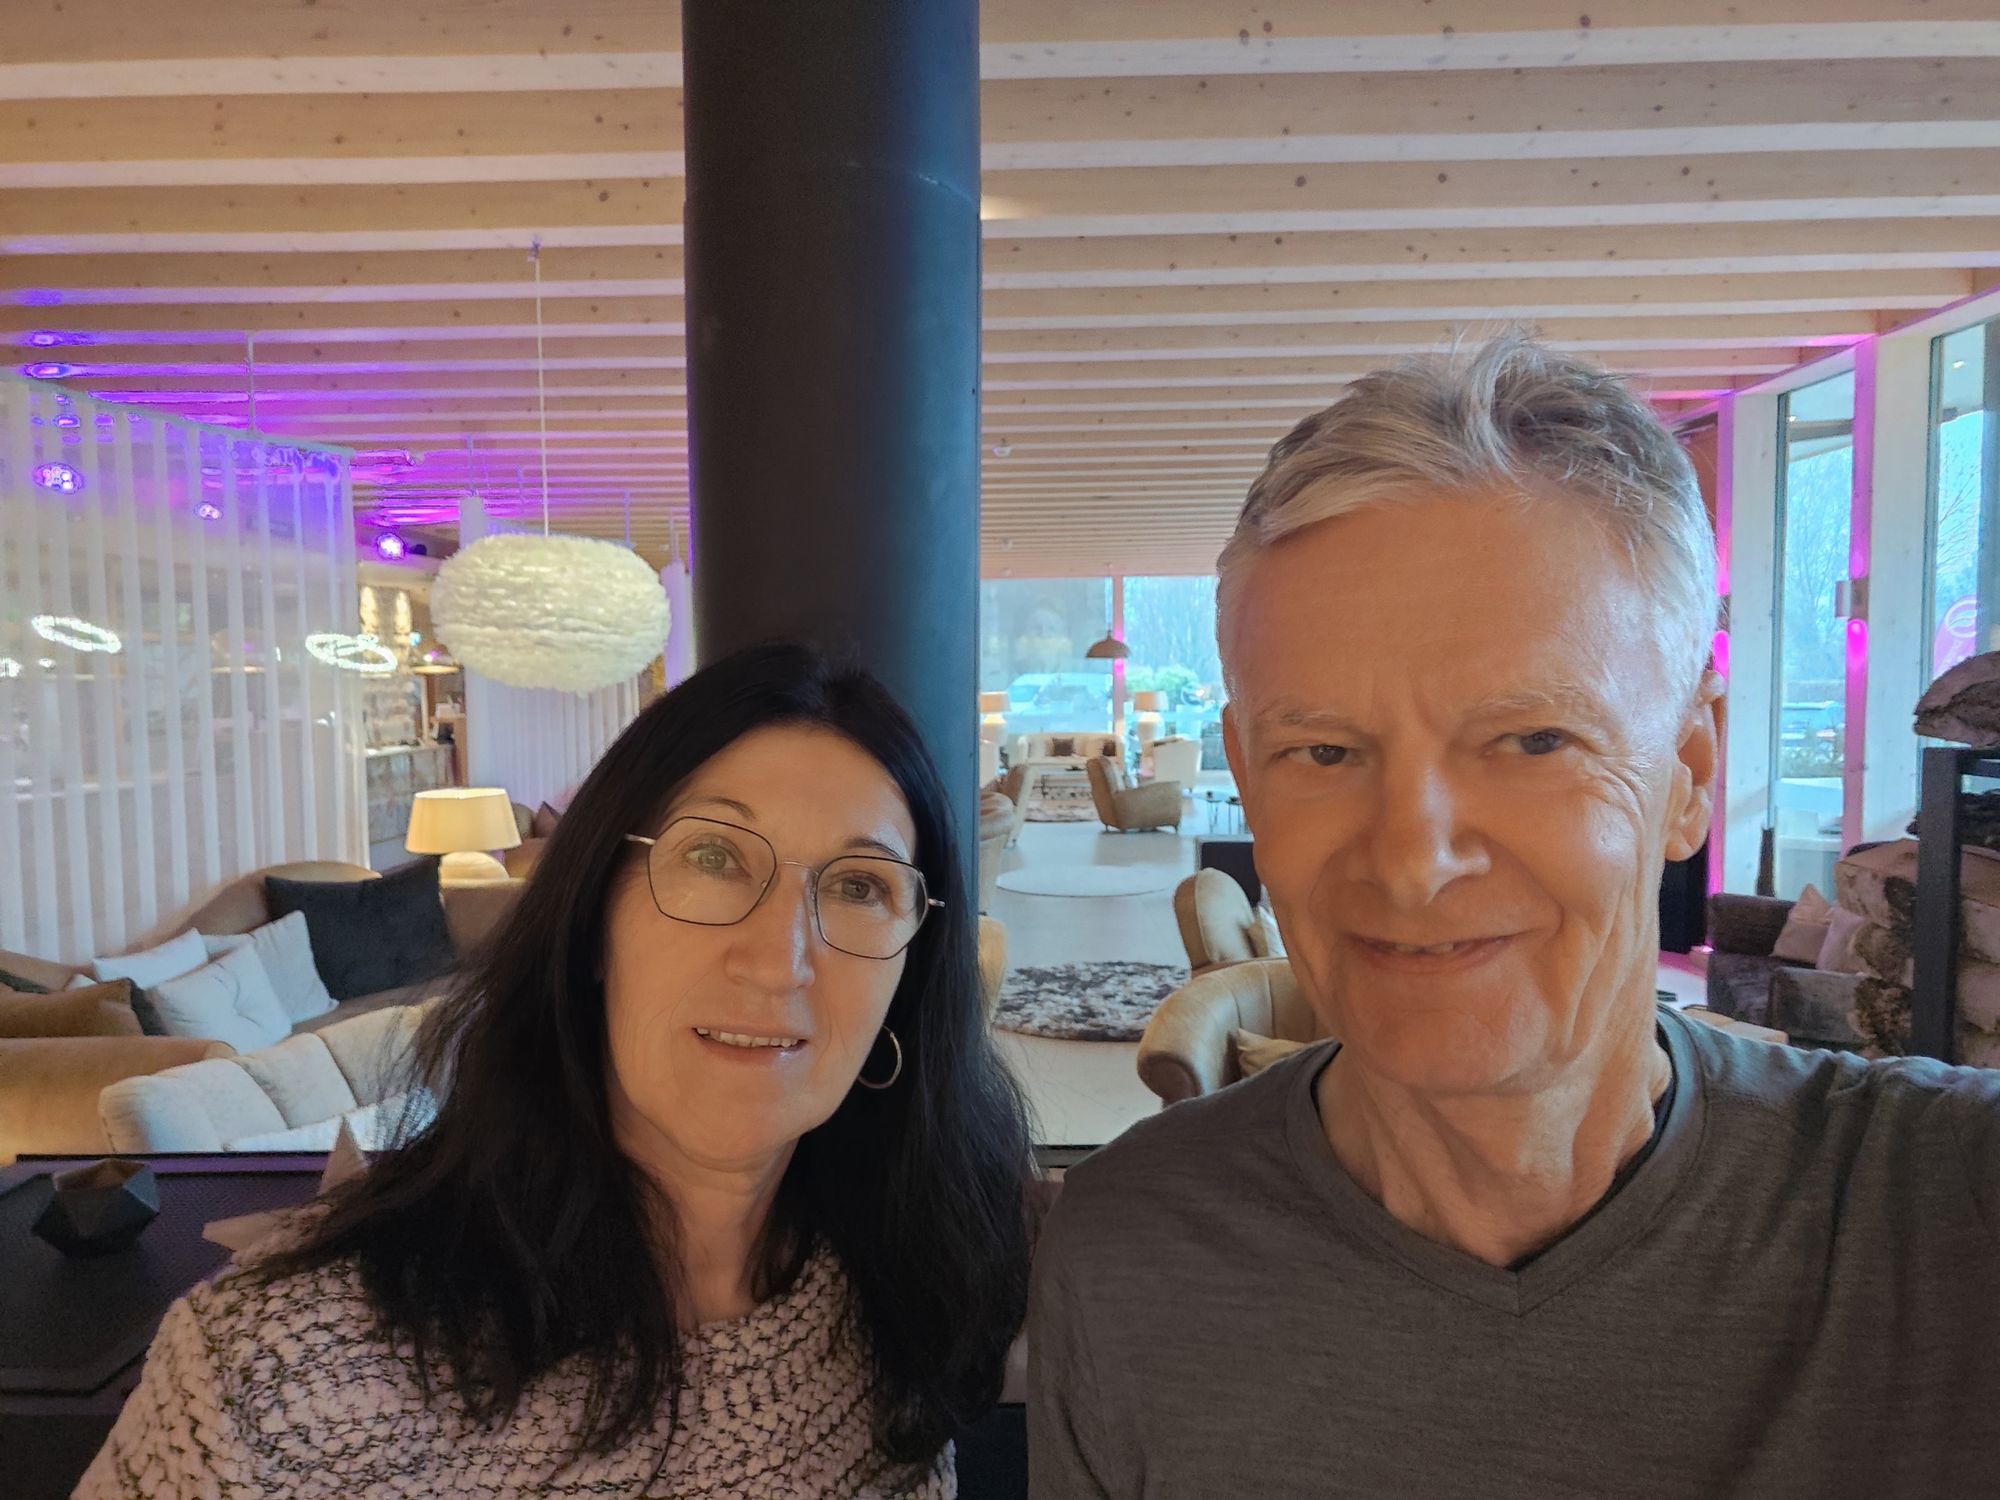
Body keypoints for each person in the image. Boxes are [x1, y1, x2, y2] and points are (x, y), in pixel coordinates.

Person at [1028, 334, 2000, 1498]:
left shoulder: (1947, 1216)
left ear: (1687, 771)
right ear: (1247, 773)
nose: (1411, 861)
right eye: (1323, 751)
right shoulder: (1130, 1254)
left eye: (1532, 740)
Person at [82, 642, 1035, 1499]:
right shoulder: (277, 1373)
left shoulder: (905, 1283)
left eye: (860, 885)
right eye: (713, 856)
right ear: (593, 919)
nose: (778, 960)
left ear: (909, 972)